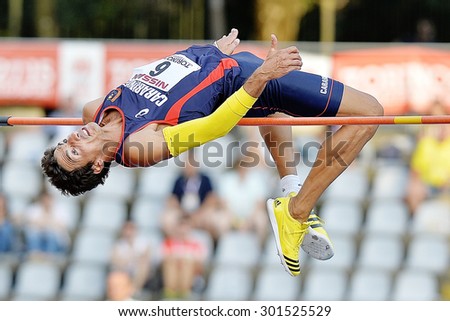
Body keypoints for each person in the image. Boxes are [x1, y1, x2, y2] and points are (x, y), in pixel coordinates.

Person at [41, 28, 383, 276]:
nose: (72, 141)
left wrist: (205, 53)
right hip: (238, 80)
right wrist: (262, 76)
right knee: (369, 113)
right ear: (98, 164)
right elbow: (216, 125)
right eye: (74, 154)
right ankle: (296, 212)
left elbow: (158, 79)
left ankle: (291, 191)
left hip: (222, 62)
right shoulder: (138, 147)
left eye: (64, 144)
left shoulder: (94, 109)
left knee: (275, 111)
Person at [160, 152, 230, 242]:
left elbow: (212, 198)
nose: (189, 167)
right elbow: (172, 199)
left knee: (215, 219)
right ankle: (175, 244)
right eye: (187, 165)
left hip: (201, 212)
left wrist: (199, 213)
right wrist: (183, 212)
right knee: (167, 219)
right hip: (182, 212)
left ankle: (211, 245)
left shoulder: (205, 179)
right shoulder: (179, 180)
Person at [109, 221, 152, 297]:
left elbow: (146, 258)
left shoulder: (143, 243)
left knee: (143, 267)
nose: (128, 232)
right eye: (126, 229)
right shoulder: (118, 245)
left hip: (138, 270)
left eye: (131, 229)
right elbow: (115, 260)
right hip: (124, 269)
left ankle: (133, 291)